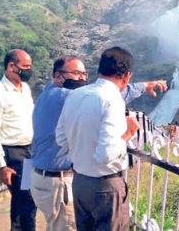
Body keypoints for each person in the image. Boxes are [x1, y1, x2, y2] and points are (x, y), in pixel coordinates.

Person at [31, 56, 167, 231]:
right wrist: (126, 132)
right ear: (58, 76)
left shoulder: (46, 94)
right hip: (58, 182)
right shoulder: (65, 96)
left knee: (55, 225)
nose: (81, 78)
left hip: (43, 177)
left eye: (84, 74)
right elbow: (103, 97)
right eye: (76, 73)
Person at [55, 47, 140, 231]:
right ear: (127, 76)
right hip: (106, 187)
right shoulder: (113, 99)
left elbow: (61, 139)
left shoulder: (76, 95)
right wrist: (128, 133)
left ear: (99, 71)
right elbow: (105, 155)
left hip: (80, 183)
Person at [0, 49, 37, 231]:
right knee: (23, 200)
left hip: (29, 151)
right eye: (25, 67)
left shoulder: (25, 89)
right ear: (11, 66)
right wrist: (1, 165)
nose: (29, 70)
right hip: (13, 153)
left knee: (29, 199)